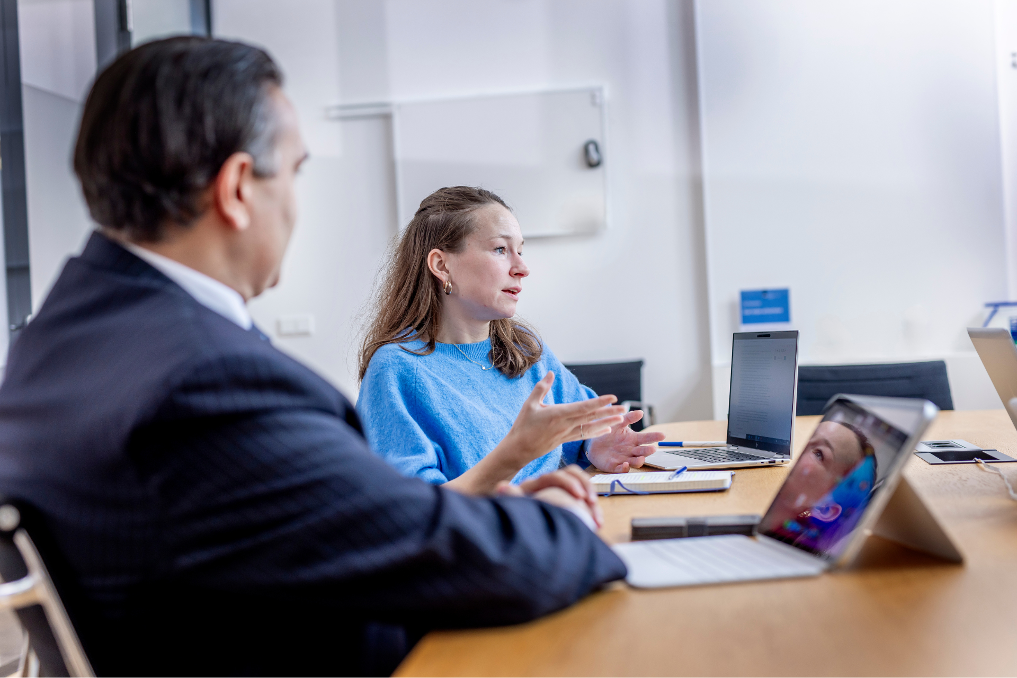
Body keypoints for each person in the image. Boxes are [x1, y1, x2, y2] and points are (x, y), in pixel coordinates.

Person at [0, 37, 629, 676]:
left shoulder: (51, 347)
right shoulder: (208, 381)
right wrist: (558, 521)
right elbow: (430, 552)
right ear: (238, 188)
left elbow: (375, 524)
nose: (296, 205)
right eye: (294, 172)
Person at [357, 187, 666, 493]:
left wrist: (596, 443)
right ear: (442, 265)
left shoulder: (523, 348)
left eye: (520, 250)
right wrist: (515, 453)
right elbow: (413, 508)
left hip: (556, 517)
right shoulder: (396, 369)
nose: (522, 268)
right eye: (500, 250)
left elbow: (580, 422)